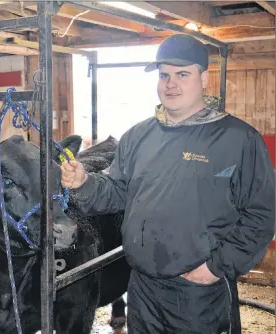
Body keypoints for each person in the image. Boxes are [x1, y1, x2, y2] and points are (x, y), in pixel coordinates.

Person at [61, 34, 275, 334]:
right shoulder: (138, 135)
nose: (170, 83)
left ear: (204, 78)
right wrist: (84, 183)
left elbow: (262, 214)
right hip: (142, 285)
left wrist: (217, 267)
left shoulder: (237, 139)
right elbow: (118, 192)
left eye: (182, 74)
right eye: (164, 75)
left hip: (197, 290)